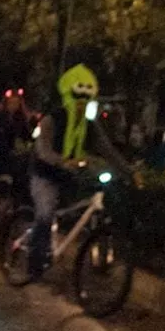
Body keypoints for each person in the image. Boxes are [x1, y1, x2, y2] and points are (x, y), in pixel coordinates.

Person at [28, 64, 132, 277]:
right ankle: (34, 261)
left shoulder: (89, 125)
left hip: (69, 175)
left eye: (86, 99)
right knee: (45, 214)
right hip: (44, 174)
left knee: (83, 205)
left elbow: (107, 150)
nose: (81, 104)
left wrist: (129, 172)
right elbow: (43, 150)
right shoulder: (52, 119)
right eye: (78, 97)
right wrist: (62, 161)